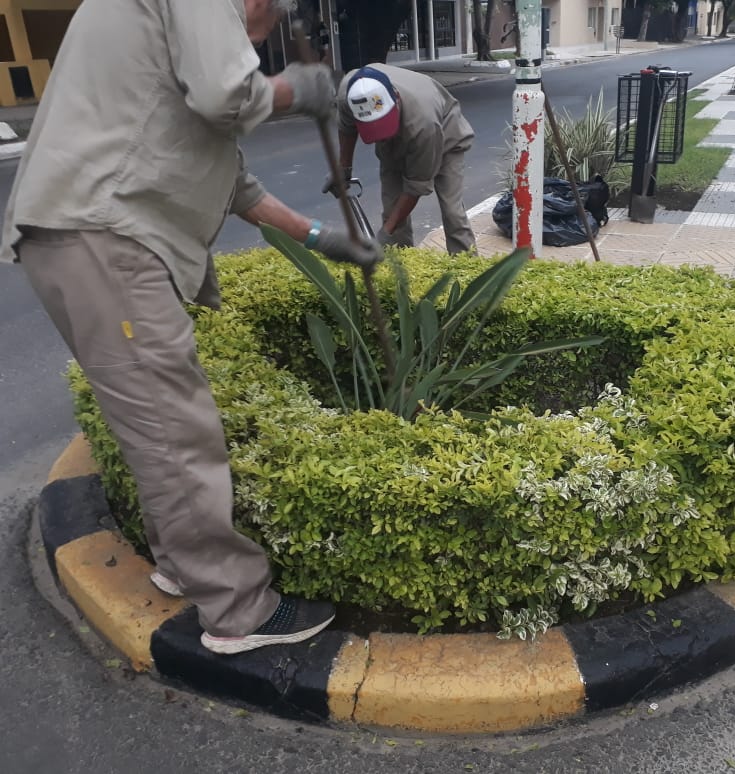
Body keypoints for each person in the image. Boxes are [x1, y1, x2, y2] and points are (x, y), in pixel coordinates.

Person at [1, 0, 380, 655]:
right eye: (273, 17)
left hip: (84, 236)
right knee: (179, 430)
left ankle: (182, 563)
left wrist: (324, 238)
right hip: (108, 238)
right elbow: (227, 95)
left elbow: (238, 186)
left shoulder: (163, 38)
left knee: (155, 423)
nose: (265, 34)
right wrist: (297, 89)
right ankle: (238, 607)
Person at [323, 64, 477, 255]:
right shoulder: (349, 93)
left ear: (396, 98)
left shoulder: (424, 124)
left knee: (453, 213)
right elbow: (347, 127)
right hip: (398, 142)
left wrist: (385, 233)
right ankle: (401, 265)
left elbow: (416, 186)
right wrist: (343, 168)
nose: (381, 136)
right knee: (392, 212)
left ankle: (468, 265)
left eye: (382, 124)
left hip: (446, 135)